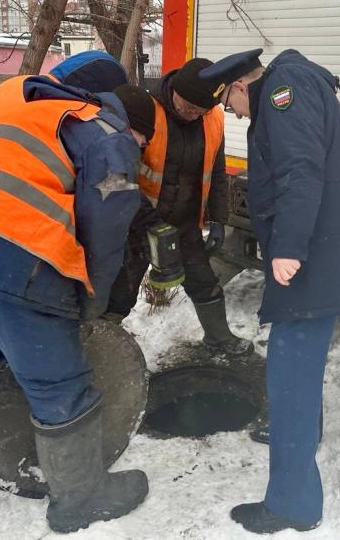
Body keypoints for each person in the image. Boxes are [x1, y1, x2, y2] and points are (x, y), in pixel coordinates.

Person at [0, 51, 155, 534]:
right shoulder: (108, 136)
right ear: (126, 118)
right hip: (14, 262)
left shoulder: (26, 112)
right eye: (144, 140)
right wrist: (93, 299)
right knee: (61, 383)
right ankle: (80, 499)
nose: (142, 150)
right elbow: (105, 232)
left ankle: (11, 457)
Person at [200, 49, 340, 533]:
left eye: (230, 104)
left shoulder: (284, 92)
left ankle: (293, 506)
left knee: (289, 377)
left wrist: (288, 246)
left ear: (242, 85)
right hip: (321, 254)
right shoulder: (292, 86)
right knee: (301, 369)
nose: (233, 113)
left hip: (309, 259)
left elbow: (300, 169)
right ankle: (302, 444)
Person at [107, 58, 252, 356]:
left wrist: (219, 220)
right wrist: (146, 222)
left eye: (199, 109)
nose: (191, 113)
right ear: (174, 90)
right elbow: (117, 177)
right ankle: (105, 347)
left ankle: (218, 338)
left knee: (204, 283)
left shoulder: (213, 119)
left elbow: (218, 171)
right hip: (138, 223)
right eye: (187, 105)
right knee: (119, 292)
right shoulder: (146, 112)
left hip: (184, 223)